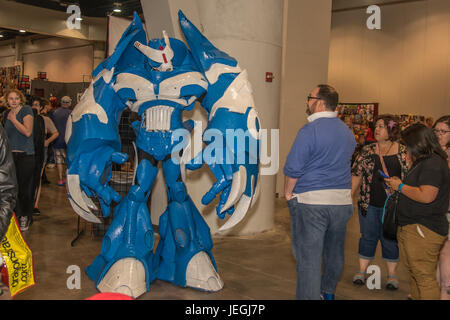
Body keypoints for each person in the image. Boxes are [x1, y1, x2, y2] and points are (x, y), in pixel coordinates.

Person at [284, 84, 356, 300]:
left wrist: (288, 193)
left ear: (320, 102)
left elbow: (294, 168)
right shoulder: (346, 131)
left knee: (309, 259)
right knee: (334, 253)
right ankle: (328, 293)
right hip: (342, 203)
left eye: (310, 98)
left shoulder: (309, 131)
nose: (307, 101)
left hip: (313, 202)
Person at [385, 123, 449, 300]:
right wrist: (400, 186)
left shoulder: (433, 164)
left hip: (423, 228)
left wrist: (401, 186)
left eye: (407, 145)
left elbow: (427, 195)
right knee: (415, 274)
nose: (406, 149)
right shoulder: (424, 161)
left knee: (423, 277)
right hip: (412, 226)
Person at [351, 114, 409, 290]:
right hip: (368, 203)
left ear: (391, 130)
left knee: (390, 239)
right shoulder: (367, 150)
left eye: (382, 126)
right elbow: (356, 174)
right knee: (367, 237)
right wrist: (349, 196)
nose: (377, 129)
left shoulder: (403, 152)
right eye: (376, 126)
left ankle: (392, 275)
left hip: (393, 205)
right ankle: (362, 271)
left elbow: (410, 178)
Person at [3, 89, 34, 231]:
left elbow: (27, 132)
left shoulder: (26, 110)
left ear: (20, 99)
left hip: (25, 156)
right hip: (10, 157)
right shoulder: (5, 114)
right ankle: (15, 216)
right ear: (7, 101)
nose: (13, 101)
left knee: (24, 189)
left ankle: (25, 217)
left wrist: (14, 120)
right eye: (10, 98)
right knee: (11, 189)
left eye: (16, 98)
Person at [31, 98, 59, 215]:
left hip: (42, 150)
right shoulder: (27, 118)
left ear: (41, 108)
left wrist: (47, 142)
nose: (34, 107)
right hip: (29, 151)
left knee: (38, 177)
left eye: (37, 105)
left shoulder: (45, 119)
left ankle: (35, 205)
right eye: (32, 105)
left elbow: (56, 133)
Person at [432, 115, 450, 299]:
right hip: (434, 211)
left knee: (445, 254)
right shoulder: (432, 154)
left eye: (443, 131)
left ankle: (445, 291)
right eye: (436, 131)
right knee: (437, 255)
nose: (438, 134)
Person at [51, 96, 72, 186]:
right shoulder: (71, 113)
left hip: (57, 140)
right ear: (69, 103)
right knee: (68, 161)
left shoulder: (55, 113)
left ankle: (60, 179)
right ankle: (68, 179)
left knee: (59, 161)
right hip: (68, 141)